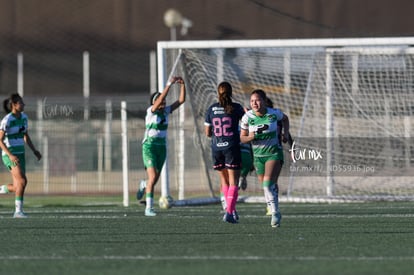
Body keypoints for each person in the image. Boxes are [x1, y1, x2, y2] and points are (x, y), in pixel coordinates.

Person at [136, 76, 186, 217]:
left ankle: (144, 185)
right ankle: (149, 208)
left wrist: (182, 86)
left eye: (164, 100)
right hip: (149, 147)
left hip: (161, 148)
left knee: (154, 180)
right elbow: (158, 101)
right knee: (153, 178)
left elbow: (181, 100)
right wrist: (169, 85)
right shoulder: (150, 112)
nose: (163, 102)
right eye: (160, 100)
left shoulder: (166, 111)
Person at [240, 89, 290, 228]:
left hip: (274, 153)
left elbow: (285, 119)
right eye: (252, 101)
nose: (254, 103)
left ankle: (275, 213)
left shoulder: (273, 114)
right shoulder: (247, 117)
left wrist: (285, 134)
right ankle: (275, 209)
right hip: (258, 157)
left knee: (267, 184)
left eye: (257, 100)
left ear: (263, 101)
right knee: (267, 186)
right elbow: (242, 138)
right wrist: (250, 137)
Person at [204, 81, 245, 224]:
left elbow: (208, 133)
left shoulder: (211, 109)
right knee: (234, 181)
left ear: (218, 93)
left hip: (216, 147)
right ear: (231, 93)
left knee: (224, 181)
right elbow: (247, 121)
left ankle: (231, 210)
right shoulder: (236, 108)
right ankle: (229, 212)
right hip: (231, 146)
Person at [0, 93, 42, 218]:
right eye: (21, 102)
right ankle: (18, 212)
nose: (24, 104)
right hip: (10, 155)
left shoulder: (24, 117)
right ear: (14, 105)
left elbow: (25, 136)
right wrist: (10, 155)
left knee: (18, 185)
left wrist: (34, 150)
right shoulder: (7, 120)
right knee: (23, 181)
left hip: (21, 154)